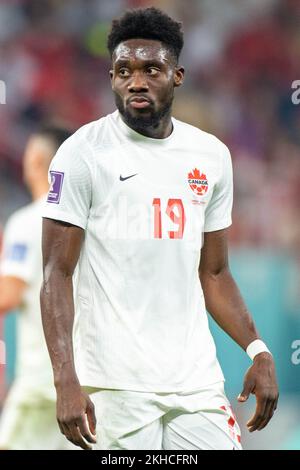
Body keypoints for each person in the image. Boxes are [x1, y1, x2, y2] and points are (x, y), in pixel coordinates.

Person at [40, 7, 279, 451]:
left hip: (197, 383)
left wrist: (258, 349)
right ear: (111, 76)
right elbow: (57, 274)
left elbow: (215, 274)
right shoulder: (82, 155)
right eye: (123, 71)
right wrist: (65, 380)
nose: (136, 81)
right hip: (115, 387)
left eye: (151, 69)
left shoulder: (210, 156)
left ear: (178, 75)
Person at [0, 125, 74, 450]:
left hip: (41, 380)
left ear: (39, 160)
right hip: (91, 380)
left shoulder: (26, 222)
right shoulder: (91, 219)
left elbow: (9, 295)